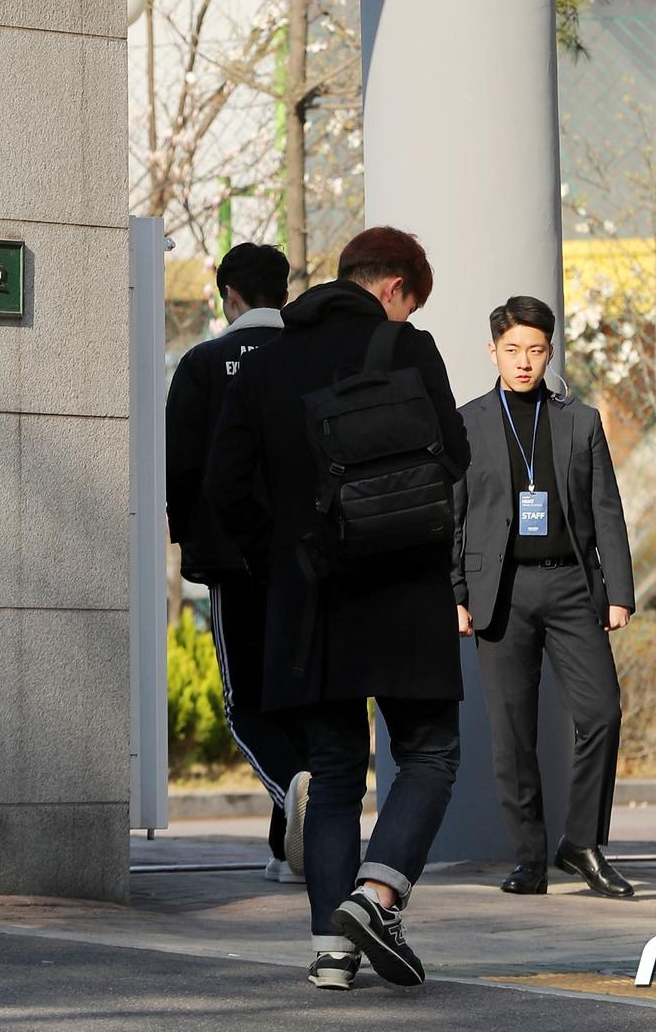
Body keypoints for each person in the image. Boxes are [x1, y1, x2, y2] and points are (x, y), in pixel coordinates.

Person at [206, 227, 468, 992]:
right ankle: (376, 894)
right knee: (429, 753)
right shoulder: (409, 350)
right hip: (407, 591)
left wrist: (279, 556)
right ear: (393, 288)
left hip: (310, 597)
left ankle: (330, 949)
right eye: (410, 299)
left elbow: (226, 487)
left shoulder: (264, 364)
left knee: (333, 771)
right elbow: (456, 454)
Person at [452, 295, 636, 899]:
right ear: (493, 352)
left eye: (535, 350)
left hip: (571, 585)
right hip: (497, 591)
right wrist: (454, 592)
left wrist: (618, 591)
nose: (524, 362)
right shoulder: (468, 421)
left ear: (550, 352)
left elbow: (607, 510)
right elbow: (450, 518)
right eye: (512, 351)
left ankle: (581, 842)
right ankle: (529, 857)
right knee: (513, 733)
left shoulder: (579, 420)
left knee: (602, 711)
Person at [165, 241, 309, 882]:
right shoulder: (313, 356)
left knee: (244, 702)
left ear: (229, 296)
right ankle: (290, 846)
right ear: (285, 291)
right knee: (301, 697)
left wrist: (190, 540)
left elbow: (183, 468)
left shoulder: (203, 363)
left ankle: (293, 790)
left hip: (234, 561)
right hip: (311, 560)